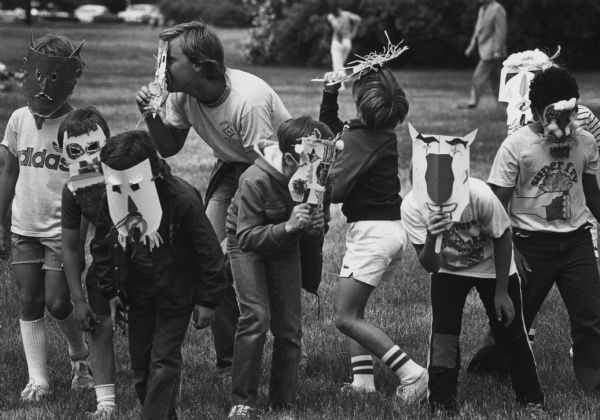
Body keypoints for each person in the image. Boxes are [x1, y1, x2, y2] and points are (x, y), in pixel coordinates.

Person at [135, 21, 291, 379]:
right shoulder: (181, 94)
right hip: (234, 170)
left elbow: (269, 171)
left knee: (229, 257)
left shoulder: (246, 101)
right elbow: (170, 147)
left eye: (168, 60)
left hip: (274, 176)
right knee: (208, 257)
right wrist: (151, 115)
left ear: (201, 66)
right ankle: (229, 362)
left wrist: (234, 236)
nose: (160, 68)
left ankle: (264, 347)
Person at [99, 130, 227, 419]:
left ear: (151, 173)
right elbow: (104, 245)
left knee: (164, 361)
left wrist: (207, 300)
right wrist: (112, 291)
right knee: (141, 367)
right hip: (138, 292)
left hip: (176, 291)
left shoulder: (182, 199)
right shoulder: (114, 199)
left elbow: (209, 253)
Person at [487, 67, 600, 392]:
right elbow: (496, 207)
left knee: (590, 314)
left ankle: (594, 379)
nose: (564, 125)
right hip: (531, 245)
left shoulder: (586, 142)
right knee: (513, 319)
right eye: (554, 116)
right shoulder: (516, 146)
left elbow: (591, 193)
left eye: (570, 114)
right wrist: (513, 251)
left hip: (577, 242)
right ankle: (494, 368)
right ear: (536, 111)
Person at [319, 67, 428, 402]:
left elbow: (334, 191)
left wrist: (315, 171)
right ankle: (363, 381)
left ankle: (413, 374)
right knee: (356, 313)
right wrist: (330, 94)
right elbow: (336, 133)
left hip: (372, 234)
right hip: (389, 229)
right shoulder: (380, 134)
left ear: (361, 103)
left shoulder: (357, 138)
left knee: (345, 318)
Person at [0, 34, 93, 402]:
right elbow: (9, 170)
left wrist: (80, 239)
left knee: (59, 302)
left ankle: (80, 356)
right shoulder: (19, 118)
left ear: (71, 76)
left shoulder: (79, 125)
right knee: (29, 300)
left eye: (54, 76)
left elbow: (88, 187)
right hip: (24, 227)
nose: (43, 85)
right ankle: (38, 378)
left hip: (61, 231)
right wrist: (2, 223)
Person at [401, 177, 545, 415]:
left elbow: (502, 236)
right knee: (443, 338)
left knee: (511, 332)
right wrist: (431, 236)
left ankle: (532, 400)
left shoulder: (479, 195)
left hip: (491, 265)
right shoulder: (411, 206)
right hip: (446, 269)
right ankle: (441, 403)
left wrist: (501, 292)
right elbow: (430, 266)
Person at [226, 116, 329, 419]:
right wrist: (287, 227)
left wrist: (315, 227)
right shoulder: (254, 180)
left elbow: (313, 230)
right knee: (256, 317)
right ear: (288, 158)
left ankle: (282, 402)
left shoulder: (317, 178)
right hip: (247, 245)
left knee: (289, 327)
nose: (318, 171)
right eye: (312, 161)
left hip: (285, 246)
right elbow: (245, 236)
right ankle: (242, 399)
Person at [59, 107, 117, 419]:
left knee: (149, 328)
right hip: (106, 263)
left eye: (94, 148)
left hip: (144, 261)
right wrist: (77, 300)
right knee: (99, 324)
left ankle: (152, 386)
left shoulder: (125, 173)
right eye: (76, 151)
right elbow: (69, 248)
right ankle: (105, 402)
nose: (87, 157)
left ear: (107, 143)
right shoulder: (72, 190)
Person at [459, 0, 507, 109]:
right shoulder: (482, 9)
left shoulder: (497, 8)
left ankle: (473, 101)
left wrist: (497, 50)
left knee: (478, 76)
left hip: (492, 51)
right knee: (496, 81)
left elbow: (500, 31)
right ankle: (508, 105)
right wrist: (471, 47)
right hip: (485, 50)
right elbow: (478, 30)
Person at [327, 8, 362, 74]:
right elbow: (358, 19)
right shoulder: (347, 14)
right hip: (347, 42)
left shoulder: (332, 16)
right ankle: (341, 81)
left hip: (337, 42)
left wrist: (333, 19)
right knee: (340, 65)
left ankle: (341, 80)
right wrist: (354, 30)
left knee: (337, 66)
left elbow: (337, 27)